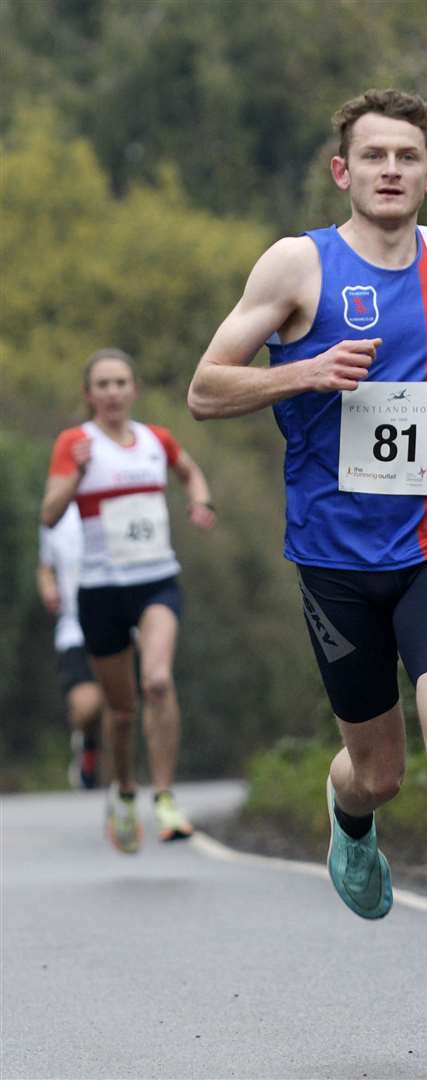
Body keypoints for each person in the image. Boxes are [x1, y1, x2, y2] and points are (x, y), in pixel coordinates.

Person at [187, 88, 427, 1046]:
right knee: (379, 771)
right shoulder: (299, 265)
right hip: (336, 559)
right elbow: (206, 389)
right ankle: (349, 811)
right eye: (371, 156)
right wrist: (306, 370)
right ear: (343, 171)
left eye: (406, 156)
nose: (389, 170)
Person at [41, 348, 217, 853]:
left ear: (134, 389)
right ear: (89, 394)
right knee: (120, 711)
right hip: (100, 591)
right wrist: (75, 475)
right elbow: (50, 515)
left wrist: (199, 500)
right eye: (103, 384)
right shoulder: (74, 444)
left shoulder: (155, 440)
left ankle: (164, 797)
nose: (113, 392)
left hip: (156, 580)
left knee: (158, 681)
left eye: (121, 382)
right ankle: (123, 792)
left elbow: (191, 472)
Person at [37, 502, 105, 789]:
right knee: (86, 705)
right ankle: (87, 743)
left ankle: (118, 780)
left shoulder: (109, 501)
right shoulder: (55, 515)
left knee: (119, 702)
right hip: (73, 627)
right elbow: (45, 567)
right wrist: (49, 589)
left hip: (116, 622)